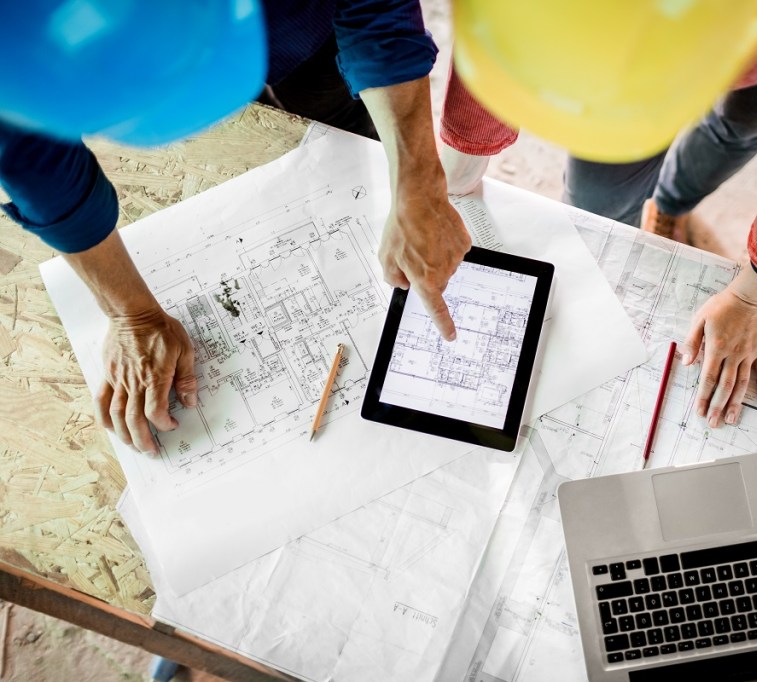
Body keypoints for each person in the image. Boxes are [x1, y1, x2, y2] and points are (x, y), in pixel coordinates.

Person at [441, 0, 757, 429]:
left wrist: (753, 294)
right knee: (599, 197)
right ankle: (631, 210)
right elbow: (497, 45)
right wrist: (454, 182)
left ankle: (671, 203)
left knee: (737, 126)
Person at [0, 0, 470, 455]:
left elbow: (377, 15)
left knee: (340, 126)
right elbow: (33, 162)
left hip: (303, 31)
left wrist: (419, 183)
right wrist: (130, 313)